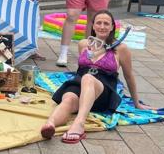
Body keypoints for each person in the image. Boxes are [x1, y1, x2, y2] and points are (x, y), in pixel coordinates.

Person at [40, 10, 153, 144]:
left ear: (112, 27)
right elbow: (81, 69)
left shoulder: (121, 48)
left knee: (88, 78)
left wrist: (137, 103)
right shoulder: (84, 44)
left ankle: (79, 123)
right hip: (80, 83)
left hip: (103, 89)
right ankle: (50, 125)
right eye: (98, 23)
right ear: (93, 26)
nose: (102, 26)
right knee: (69, 98)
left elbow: (129, 77)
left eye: (106, 23)